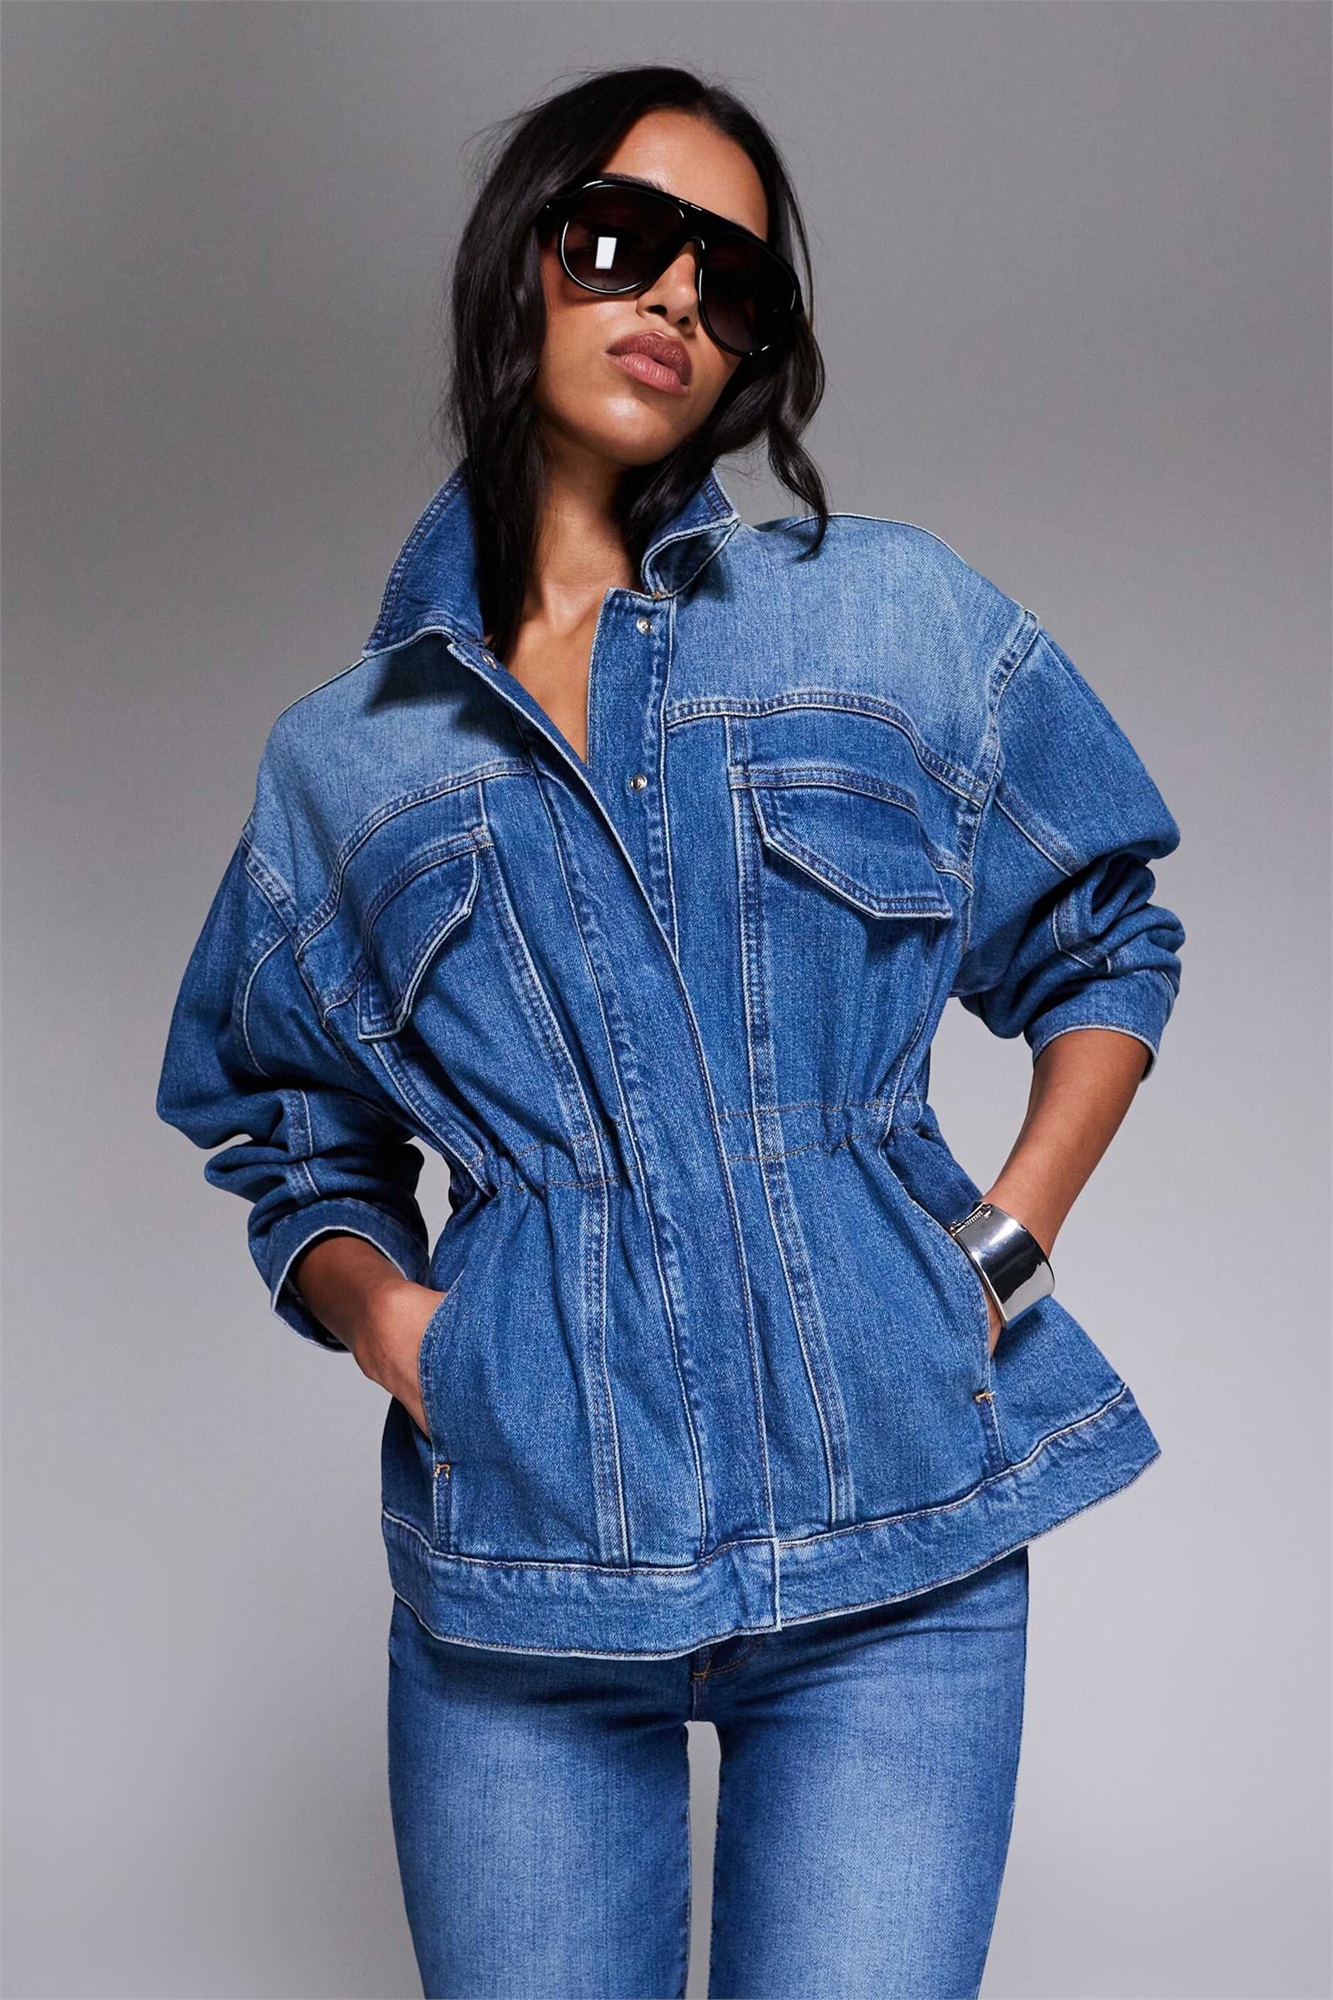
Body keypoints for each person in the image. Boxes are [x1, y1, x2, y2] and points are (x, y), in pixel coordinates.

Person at [156, 63, 1186, 2000]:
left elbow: (1102, 940)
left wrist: (1003, 1243)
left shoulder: (884, 617)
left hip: (899, 1550)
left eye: (736, 280)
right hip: (526, 1574)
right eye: (624, 239)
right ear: (522, 260)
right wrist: (403, 1334)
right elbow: (289, 1127)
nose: (677, 299)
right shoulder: (345, 760)